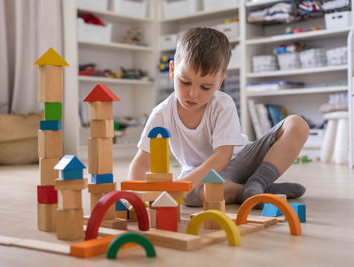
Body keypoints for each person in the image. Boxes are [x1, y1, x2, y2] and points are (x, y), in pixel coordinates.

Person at [127, 27, 309, 208]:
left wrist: (182, 186)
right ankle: (248, 192)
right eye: (185, 82)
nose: (193, 93)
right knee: (192, 196)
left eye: (205, 87)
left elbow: (223, 155)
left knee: (297, 124)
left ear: (219, 82)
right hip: (202, 173)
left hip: (243, 160)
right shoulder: (162, 114)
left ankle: (258, 183)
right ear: (172, 70)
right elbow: (142, 162)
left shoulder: (222, 104)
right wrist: (137, 199)